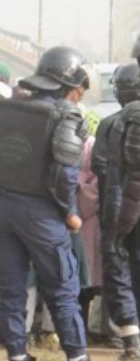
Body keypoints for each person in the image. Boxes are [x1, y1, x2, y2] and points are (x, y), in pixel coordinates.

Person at [0, 46, 91, 361]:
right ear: (68, 83)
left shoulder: (1, 109)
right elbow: (67, 174)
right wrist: (69, 211)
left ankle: (17, 355)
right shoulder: (64, 114)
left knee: (11, 291)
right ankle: (78, 356)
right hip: (40, 212)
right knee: (62, 291)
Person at [103, 61, 140, 360]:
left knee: (120, 273)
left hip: (119, 210)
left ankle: (131, 343)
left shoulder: (112, 123)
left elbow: (100, 169)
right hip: (126, 207)